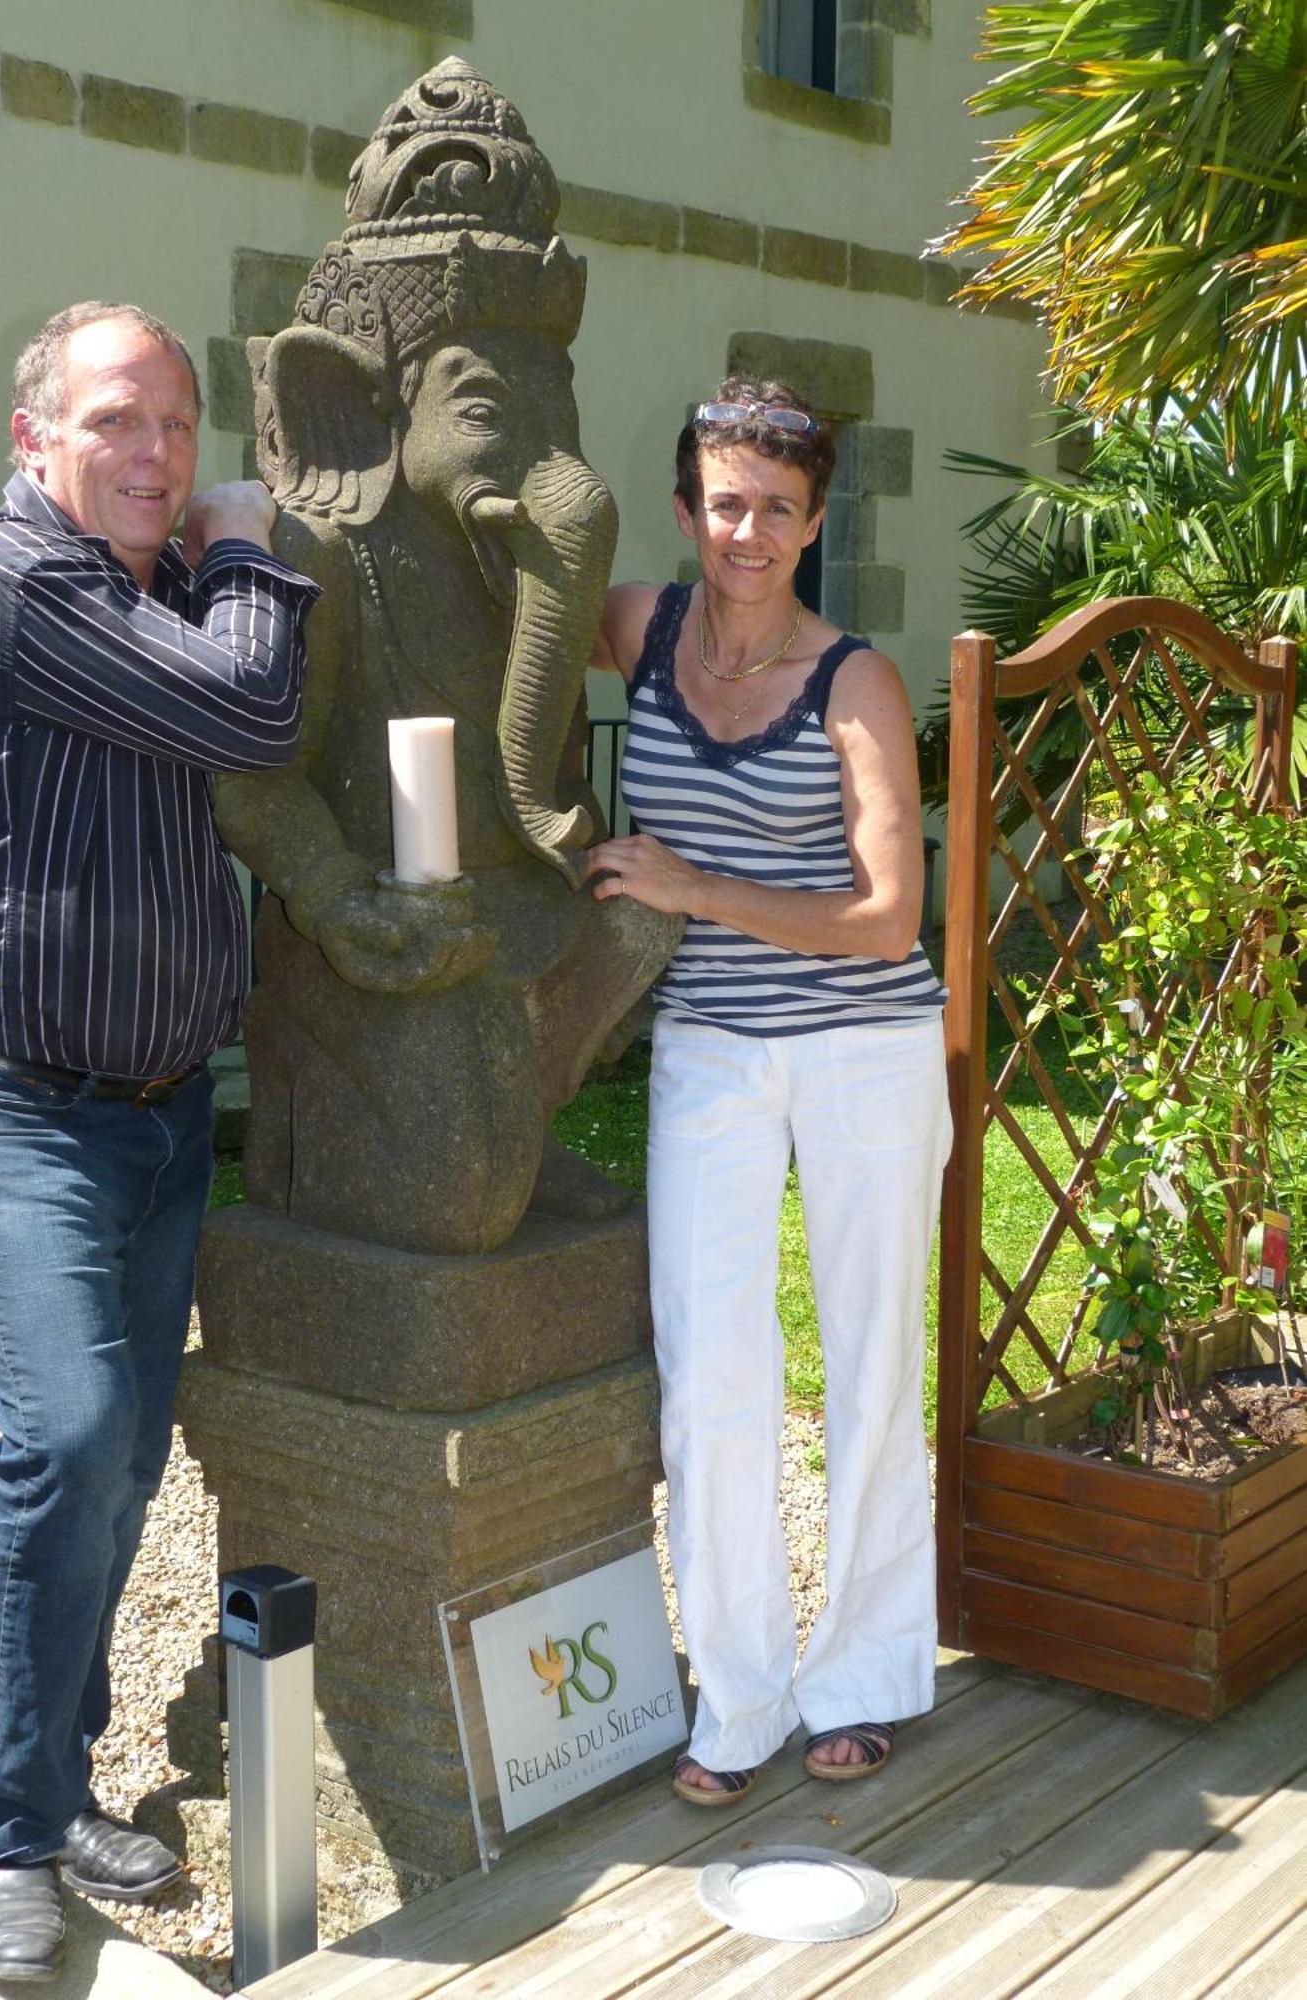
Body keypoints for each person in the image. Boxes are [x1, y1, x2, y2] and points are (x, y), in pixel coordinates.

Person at [0, 300, 316, 1981]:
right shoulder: (3, 584)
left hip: (154, 1113)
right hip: (6, 1103)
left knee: (124, 1455)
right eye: (118, 420)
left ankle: (55, 1786)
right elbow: (257, 714)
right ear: (33, 438)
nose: (157, 455)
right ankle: (4, 1832)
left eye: (181, 429)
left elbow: (222, 722)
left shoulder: (138, 602)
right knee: (66, 1434)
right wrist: (253, 538)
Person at [587, 379, 950, 1805]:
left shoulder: (853, 678)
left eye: (778, 509)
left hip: (865, 1048)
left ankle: (860, 1676)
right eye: (725, 502)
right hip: (713, 1055)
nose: (748, 530)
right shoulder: (640, 629)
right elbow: (511, 606)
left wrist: (689, 886)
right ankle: (734, 1698)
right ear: (688, 510)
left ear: (813, 524)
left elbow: (885, 915)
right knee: (711, 1372)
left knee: (869, 1364)